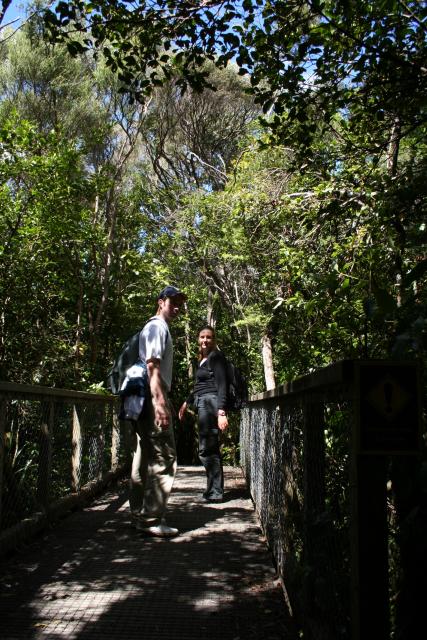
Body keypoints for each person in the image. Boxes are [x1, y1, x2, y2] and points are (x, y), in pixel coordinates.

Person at [129, 285, 187, 537]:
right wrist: (160, 404)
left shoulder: (155, 327)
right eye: (172, 301)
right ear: (160, 301)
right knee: (165, 456)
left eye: (179, 303)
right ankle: (150, 519)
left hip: (143, 398)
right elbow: (152, 367)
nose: (176, 306)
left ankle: (139, 512)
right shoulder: (156, 327)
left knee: (143, 453)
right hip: (151, 399)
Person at [179, 325, 228, 503]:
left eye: (209, 337)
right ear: (198, 339)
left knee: (208, 448)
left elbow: (222, 384)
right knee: (206, 447)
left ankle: (216, 491)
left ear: (214, 340)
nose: (205, 340)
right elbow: (199, 386)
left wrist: (221, 412)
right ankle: (211, 489)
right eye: (202, 337)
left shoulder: (216, 357)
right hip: (202, 402)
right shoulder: (202, 359)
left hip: (211, 404)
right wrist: (187, 402)